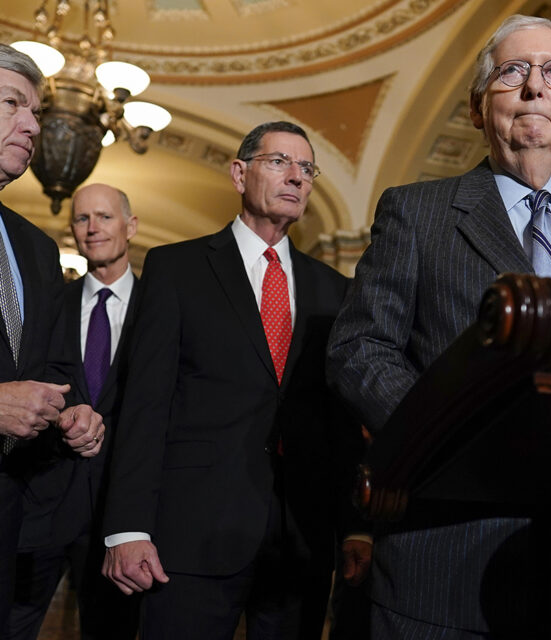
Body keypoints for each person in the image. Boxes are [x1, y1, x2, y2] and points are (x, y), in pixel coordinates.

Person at [326, 14, 551, 639]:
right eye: (512, 72)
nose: (534, 87)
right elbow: (359, 348)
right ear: (476, 108)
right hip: (445, 552)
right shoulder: (417, 213)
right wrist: (445, 436)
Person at [101, 121, 368, 640]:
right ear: (239, 174)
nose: (296, 177)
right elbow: (144, 404)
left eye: (307, 168)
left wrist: (356, 525)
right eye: (279, 162)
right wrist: (128, 527)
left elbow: (340, 421)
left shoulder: (335, 290)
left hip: (301, 541)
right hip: (191, 533)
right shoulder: (176, 269)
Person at [0, 44, 104, 634]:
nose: (33, 125)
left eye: (37, 112)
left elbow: (52, 368)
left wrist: (75, 415)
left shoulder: (37, 249)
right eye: (14, 103)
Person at [6, 184, 140, 640]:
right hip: (42, 501)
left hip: (117, 514)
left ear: (131, 226)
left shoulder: (161, 308)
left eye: (104, 216)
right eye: (82, 219)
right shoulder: (49, 300)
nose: (92, 228)